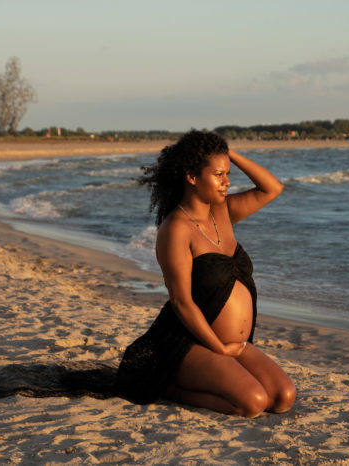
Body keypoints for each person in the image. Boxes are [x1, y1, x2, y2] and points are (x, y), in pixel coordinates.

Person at [114, 130, 296, 417]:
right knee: (253, 403)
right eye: (219, 174)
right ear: (191, 176)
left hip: (235, 345)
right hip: (189, 343)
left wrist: (227, 152)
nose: (227, 181)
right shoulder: (175, 229)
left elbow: (272, 188)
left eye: (227, 173)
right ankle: (167, 387)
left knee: (283, 397)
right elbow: (181, 303)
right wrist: (220, 350)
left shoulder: (222, 211)